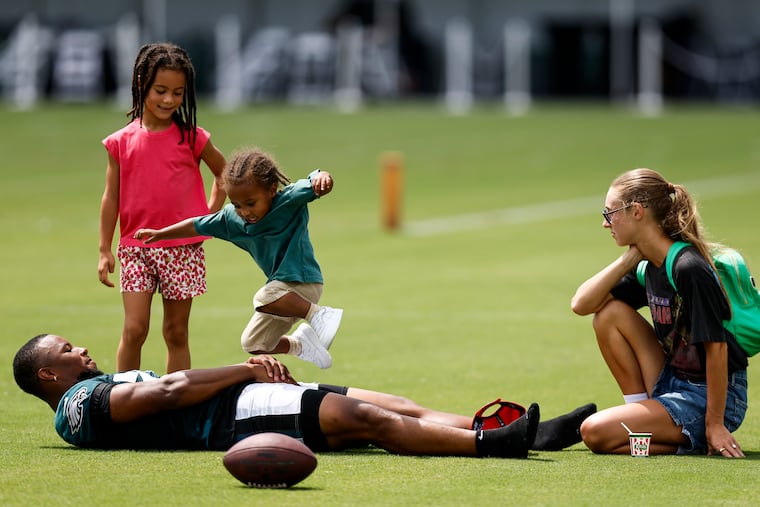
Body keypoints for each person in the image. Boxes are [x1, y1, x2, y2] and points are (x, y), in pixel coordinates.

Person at [13, 333, 596, 457]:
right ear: (47, 375)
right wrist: (243, 371)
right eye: (66, 350)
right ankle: (493, 447)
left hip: (246, 400)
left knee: (397, 404)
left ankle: (523, 430)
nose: (81, 352)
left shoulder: (85, 391)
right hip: (238, 417)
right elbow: (166, 393)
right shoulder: (77, 404)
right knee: (368, 419)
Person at [571, 168, 748, 457]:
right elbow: (582, 304)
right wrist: (630, 257)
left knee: (594, 432)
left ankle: (697, 435)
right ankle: (641, 416)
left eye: (609, 213)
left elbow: (717, 348)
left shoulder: (688, 268)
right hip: (671, 378)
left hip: (710, 394)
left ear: (637, 211)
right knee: (609, 314)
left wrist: (715, 423)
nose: (606, 224)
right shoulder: (647, 265)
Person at [134, 148, 342, 369]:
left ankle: (319, 315)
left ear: (272, 190)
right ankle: (300, 345)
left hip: (304, 282)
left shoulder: (288, 201)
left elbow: (315, 180)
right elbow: (197, 224)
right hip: (281, 296)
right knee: (252, 342)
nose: (243, 211)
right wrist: (159, 234)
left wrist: (323, 177)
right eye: (237, 204)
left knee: (264, 296)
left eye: (251, 203)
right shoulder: (231, 219)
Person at [98, 42, 227, 373]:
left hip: (183, 249)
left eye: (178, 93)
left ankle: (176, 406)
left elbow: (224, 174)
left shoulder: (193, 138)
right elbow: (111, 197)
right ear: (141, 83)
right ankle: (123, 400)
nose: (169, 100)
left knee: (175, 332)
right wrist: (104, 249)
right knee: (134, 329)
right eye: (160, 90)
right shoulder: (120, 142)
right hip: (135, 248)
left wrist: (209, 215)